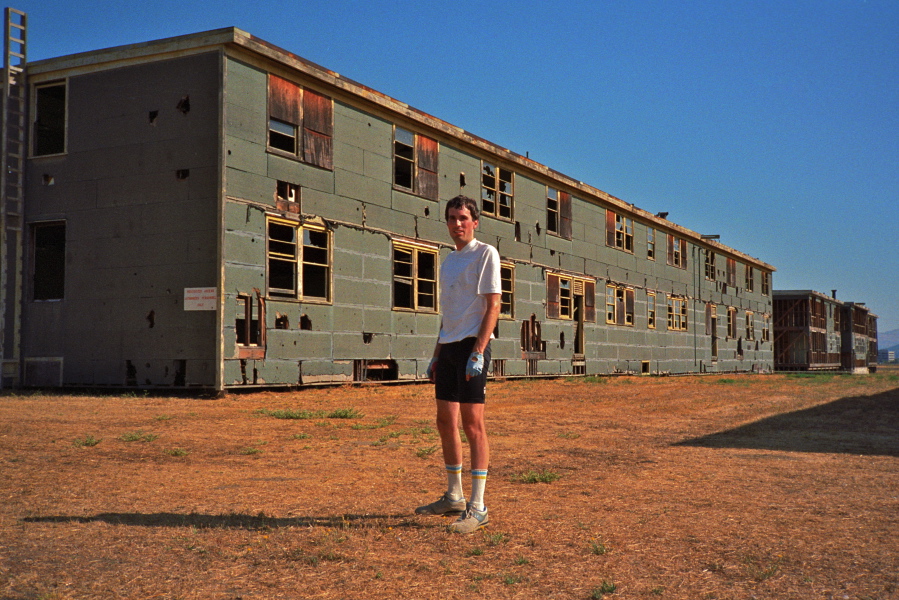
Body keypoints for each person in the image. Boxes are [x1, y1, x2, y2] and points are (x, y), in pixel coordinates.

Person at [415, 195, 501, 534]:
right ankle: (454, 495)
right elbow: (448, 314)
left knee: (472, 425)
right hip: (449, 346)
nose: (457, 224)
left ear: (475, 222)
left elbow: (493, 305)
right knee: (444, 421)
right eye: (452, 218)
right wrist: (437, 353)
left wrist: (478, 351)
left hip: (471, 346)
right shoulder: (448, 260)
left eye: (463, 217)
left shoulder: (485, 254)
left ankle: (478, 506)